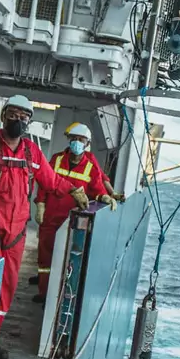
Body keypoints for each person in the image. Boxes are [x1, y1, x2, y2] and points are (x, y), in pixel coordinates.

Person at [0, 95, 88, 359]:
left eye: (24, 117)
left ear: (30, 121)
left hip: (16, 235)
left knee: (7, 287)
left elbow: (50, 181)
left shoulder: (32, 153)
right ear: (3, 116)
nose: (18, 120)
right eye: (13, 114)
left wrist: (74, 190)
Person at [32, 123, 121, 302]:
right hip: (50, 217)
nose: (77, 142)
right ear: (69, 140)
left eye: (81, 140)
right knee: (45, 258)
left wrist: (105, 197)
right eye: (74, 139)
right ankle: (44, 294)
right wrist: (40, 204)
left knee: (67, 260)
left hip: (72, 222)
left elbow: (97, 187)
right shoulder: (56, 160)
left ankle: (60, 296)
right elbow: (44, 183)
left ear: (87, 143)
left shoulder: (90, 166)